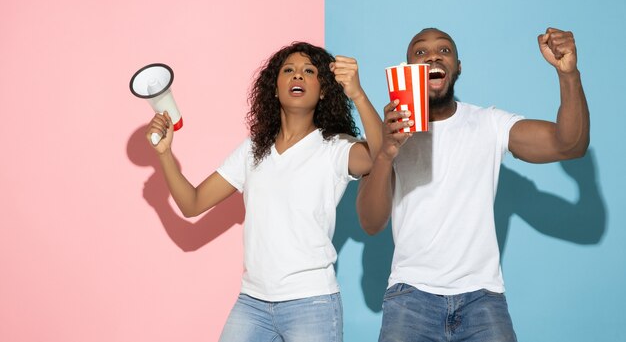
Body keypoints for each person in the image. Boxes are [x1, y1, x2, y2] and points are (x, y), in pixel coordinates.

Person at [357, 27, 589, 342]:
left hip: (483, 299)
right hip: (410, 296)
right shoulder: (389, 133)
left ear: (458, 66)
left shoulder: (489, 124)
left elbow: (569, 145)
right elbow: (371, 223)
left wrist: (569, 74)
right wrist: (385, 152)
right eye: (420, 52)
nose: (433, 56)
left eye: (444, 50)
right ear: (408, 68)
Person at [145, 42, 382, 342]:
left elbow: (380, 156)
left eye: (309, 71)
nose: (298, 76)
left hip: (312, 302)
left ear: (324, 90)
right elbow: (192, 204)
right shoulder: (252, 150)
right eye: (289, 70)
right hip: (252, 303)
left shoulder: (335, 148)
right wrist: (165, 154)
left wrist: (357, 94)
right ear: (274, 87)